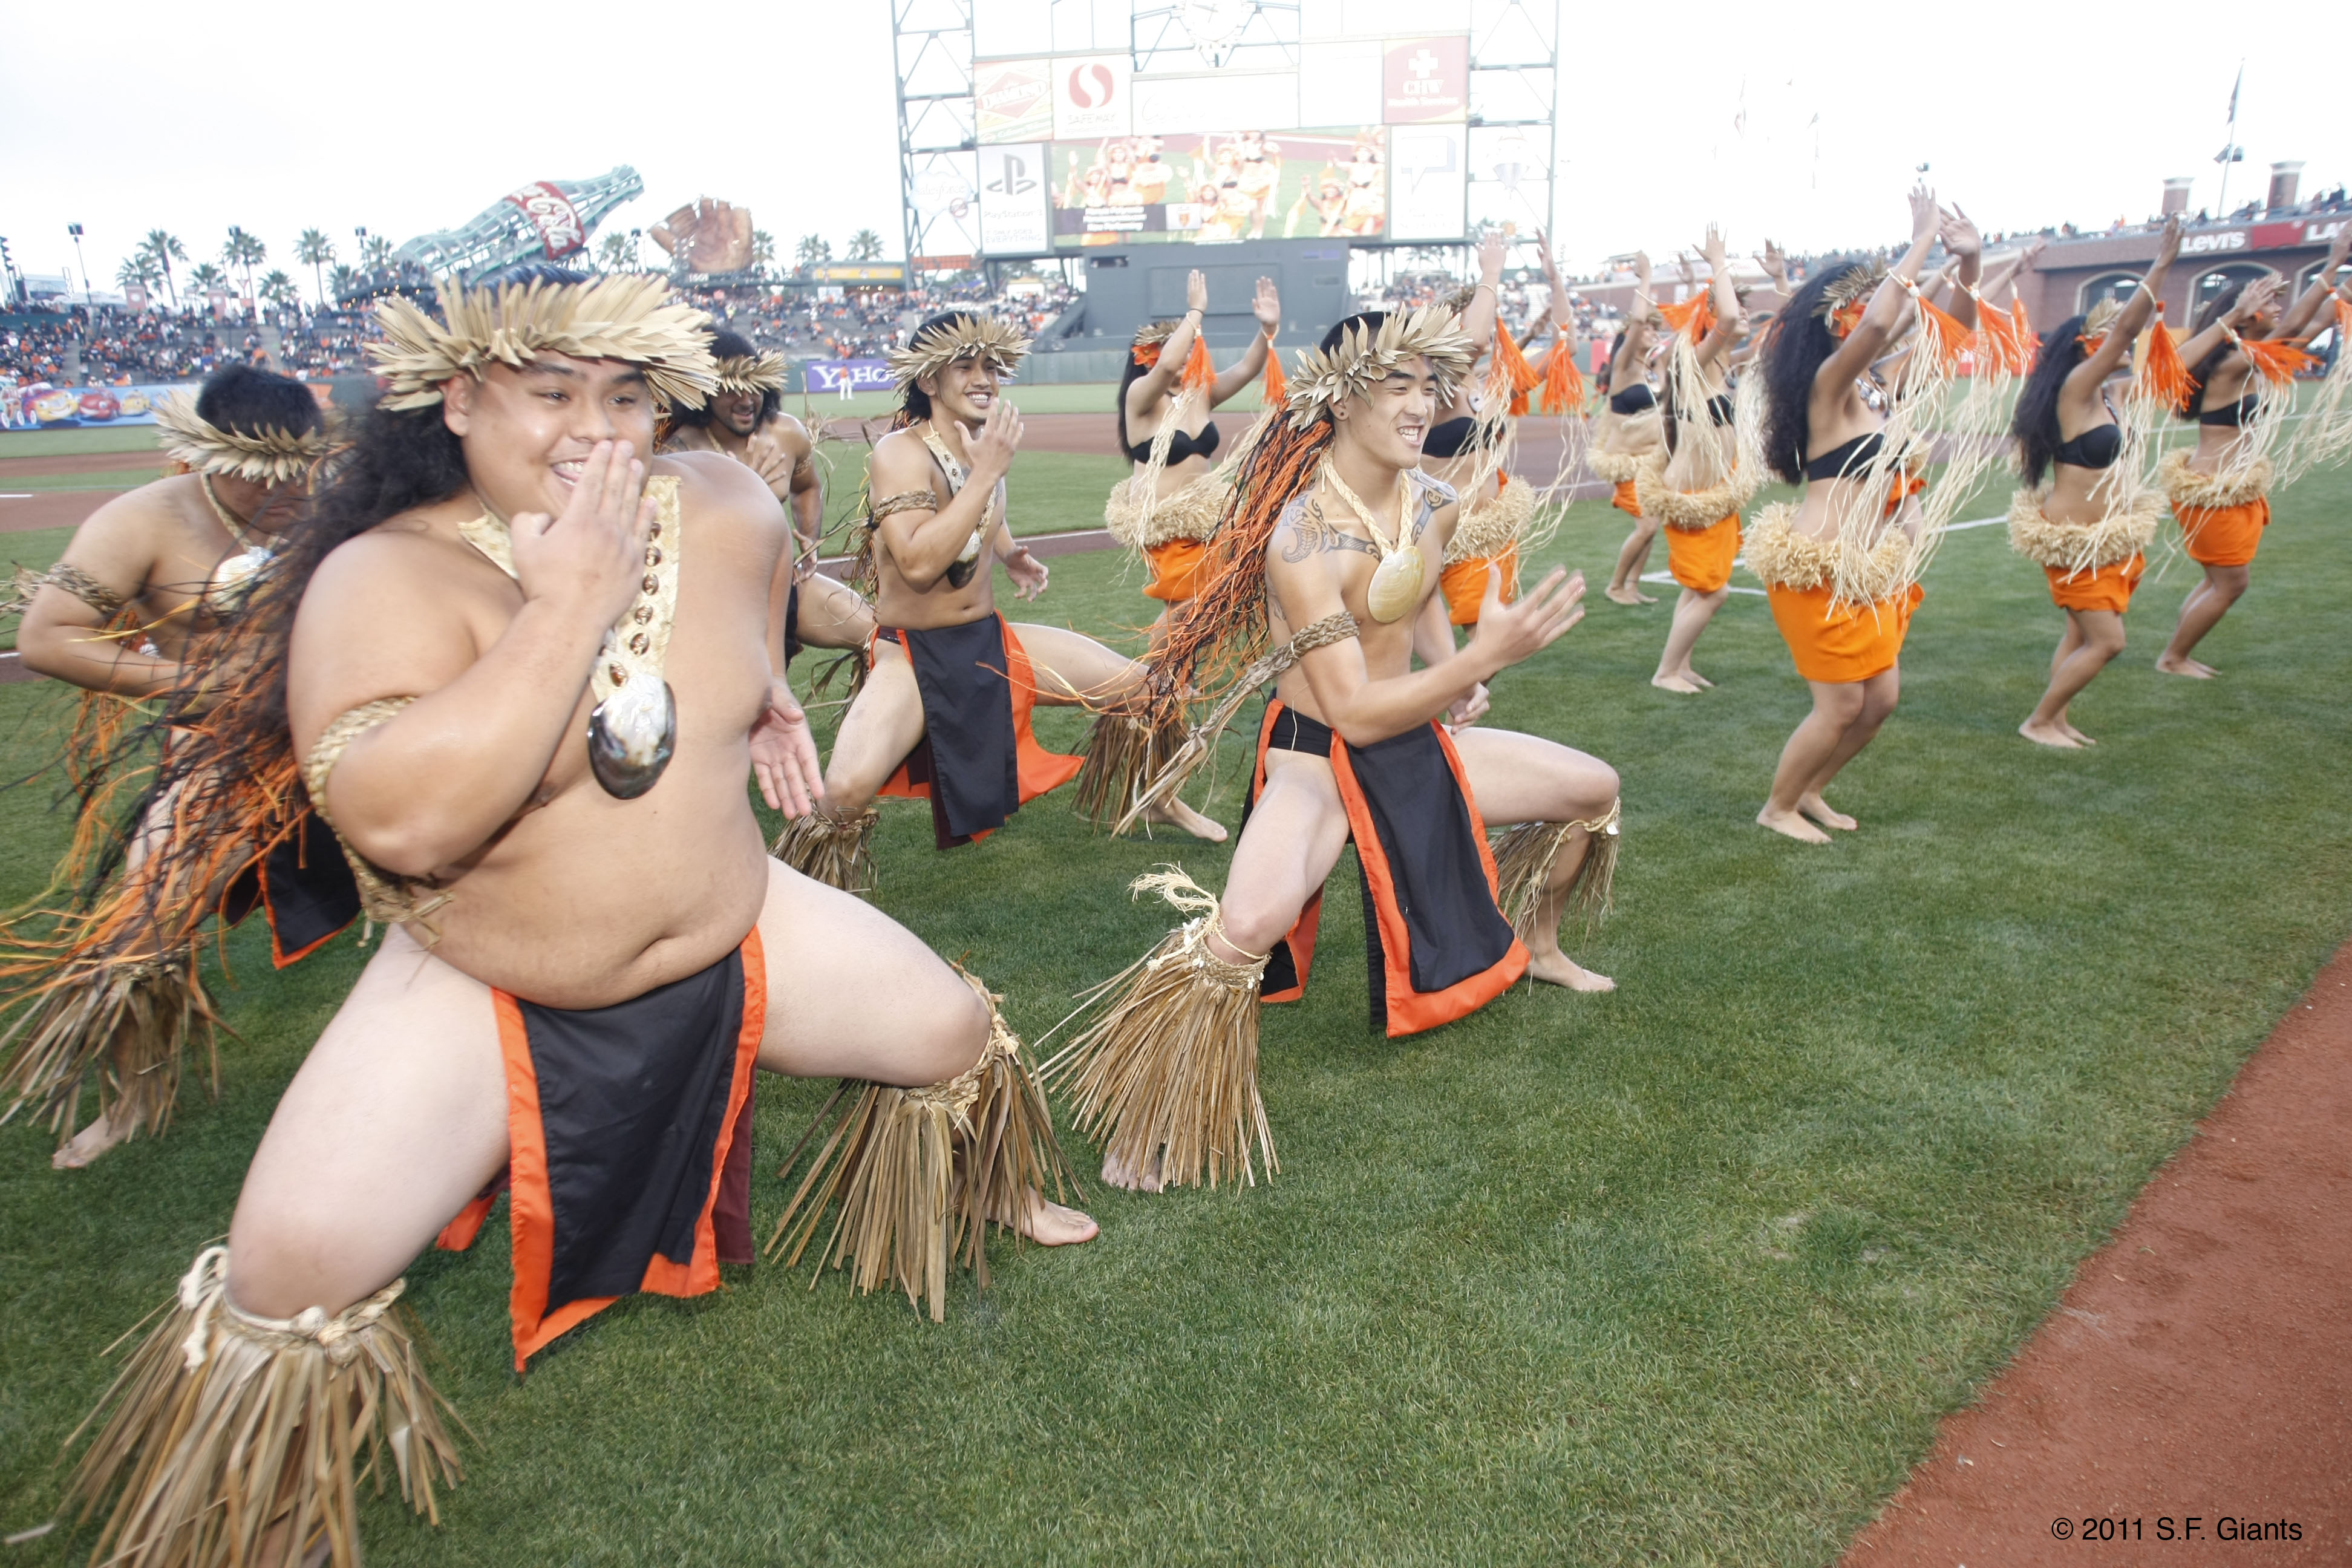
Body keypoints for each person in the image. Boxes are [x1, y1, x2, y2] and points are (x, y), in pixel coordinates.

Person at [57, 270, 1092, 1568]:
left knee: (948, 1030)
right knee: (291, 1268)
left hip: (737, 912)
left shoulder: (720, 498)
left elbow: (762, 582)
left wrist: (762, 687)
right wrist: (566, 605)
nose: (600, 432)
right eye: (552, 394)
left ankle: (992, 1196)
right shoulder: (381, 578)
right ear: (456, 398)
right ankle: (264, 1522)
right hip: (485, 967)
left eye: (626, 395)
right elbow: (409, 823)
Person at [1047, 308, 1622, 1194]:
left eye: (1429, 385)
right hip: (1320, 758)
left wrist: (1450, 671)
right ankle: (1153, 1112)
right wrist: (1476, 659)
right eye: (1399, 385)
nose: (1421, 404)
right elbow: (1351, 712)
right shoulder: (1302, 536)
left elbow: (1420, 594)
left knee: (1593, 791)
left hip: (1418, 740)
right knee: (1242, 928)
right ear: (1342, 399)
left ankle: (1537, 944)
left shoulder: (1431, 501)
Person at [2, 365, 336, 1168]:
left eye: (298, 472)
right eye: (261, 478)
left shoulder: (331, 509)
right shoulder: (143, 521)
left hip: (339, 738)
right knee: (140, 933)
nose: (283, 491)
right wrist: (192, 681)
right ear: (209, 456)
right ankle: (133, 1099)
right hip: (220, 754)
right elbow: (50, 638)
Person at [775, 312, 1224, 890]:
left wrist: (1010, 553)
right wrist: (987, 473)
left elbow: (982, 518)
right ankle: (796, 895)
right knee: (842, 794)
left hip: (990, 643)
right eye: (965, 366)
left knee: (1145, 689)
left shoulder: (981, 447)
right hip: (914, 657)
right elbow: (915, 563)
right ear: (930, 382)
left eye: (990, 365)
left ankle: (1157, 795)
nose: (983, 377)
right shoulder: (900, 453)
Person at [1748, 187, 1979, 843]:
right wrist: (1922, 238)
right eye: (1857, 306)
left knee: (1880, 702)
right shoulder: (1828, 388)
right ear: (1836, 322)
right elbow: (1880, 324)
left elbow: (1952, 332)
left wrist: (1971, 263)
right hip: (1818, 567)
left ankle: (1812, 789)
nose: (1869, 317)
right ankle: (1778, 806)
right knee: (1842, 703)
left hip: (1871, 570)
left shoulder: (1878, 387)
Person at [2006, 218, 2181, 746]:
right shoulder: (2077, 389)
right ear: (2087, 347)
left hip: (2105, 538)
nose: (2119, 343)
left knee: (2081, 634)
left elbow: (2174, 363)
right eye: (2105, 339)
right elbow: (2127, 330)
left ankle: (2056, 718)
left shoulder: (2109, 395)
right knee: (2109, 642)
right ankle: (2038, 721)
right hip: (2073, 539)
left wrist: (2233, 321)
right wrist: (2163, 264)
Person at [2154, 223, 2348, 676]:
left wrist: (2343, 284)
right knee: (2232, 583)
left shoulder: (2248, 355)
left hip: (2229, 487)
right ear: (2245, 315)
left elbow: (2316, 321)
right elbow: (2298, 325)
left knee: (2217, 580)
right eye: (2271, 302)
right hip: (2212, 490)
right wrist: (2334, 261)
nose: (2279, 308)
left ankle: (2177, 653)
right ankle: (2173, 658)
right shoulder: (2229, 362)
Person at [657, 327, 874, 664]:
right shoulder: (681, 455)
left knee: (881, 638)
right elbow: (688, 556)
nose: (747, 400)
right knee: (754, 691)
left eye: (755, 387)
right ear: (704, 394)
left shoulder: (786, 433)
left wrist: (810, 545)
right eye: (732, 390)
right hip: (722, 602)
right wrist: (748, 494)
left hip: (785, 580)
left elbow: (807, 487)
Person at [1103, 268, 1280, 628]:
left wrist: (1267, 330)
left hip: (1207, 518)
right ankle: (1154, 678)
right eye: (1175, 349)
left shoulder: (1199, 395)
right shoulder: (1142, 399)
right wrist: (1196, 311)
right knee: (1185, 605)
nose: (1183, 357)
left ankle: (1181, 681)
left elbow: (1248, 368)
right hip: (1165, 523)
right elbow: (1168, 365)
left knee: (1205, 607)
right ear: (1146, 357)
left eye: (1188, 350)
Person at [1428, 230, 1582, 641]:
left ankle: (1452, 700)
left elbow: (1566, 349)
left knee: (1489, 643)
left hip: (1494, 532)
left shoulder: (1491, 389)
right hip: (1452, 533)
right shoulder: (1433, 389)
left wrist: (1555, 280)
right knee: (1490, 642)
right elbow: (1472, 342)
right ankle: (1446, 698)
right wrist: (1491, 272)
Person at [1637, 226, 1755, 693]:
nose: (1742, 314)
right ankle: (1665, 671)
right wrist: (1719, 260)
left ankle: (1680, 665)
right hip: (1693, 494)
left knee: (1696, 588)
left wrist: (1783, 279)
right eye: (1735, 308)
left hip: (1716, 491)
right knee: (1715, 591)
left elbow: (1774, 337)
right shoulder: (1695, 361)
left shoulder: (1724, 362)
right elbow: (1726, 313)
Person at [1595, 253, 1667, 605]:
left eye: (1656, 329)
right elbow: (1638, 318)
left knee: (1652, 527)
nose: (1653, 332)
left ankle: (1633, 587)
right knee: (1648, 526)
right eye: (1649, 329)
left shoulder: (1650, 371)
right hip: (1626, 463)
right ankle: (1615, 586)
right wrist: (1646, 277)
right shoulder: (1624, 367)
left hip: (1649, 462)